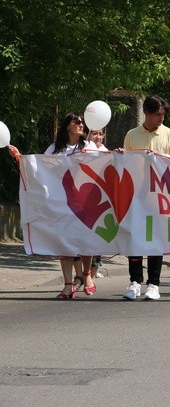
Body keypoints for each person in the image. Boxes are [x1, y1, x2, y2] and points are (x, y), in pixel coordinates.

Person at [122, 95, 170, 301]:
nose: (161, 119)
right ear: (146, 113)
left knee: (156, 237)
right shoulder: (131, 134)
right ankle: (135, 281)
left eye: (163, 115)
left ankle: (154, 284)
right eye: (157, 115)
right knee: (135, 237)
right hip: (136, 195)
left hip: (159, 194)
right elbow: (126, 165)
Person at [44, 113, 97, 299]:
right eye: (77, 121)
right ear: (68, 126)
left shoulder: (89, 146)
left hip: (85, 201)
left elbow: (104, 164)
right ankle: (68, 285)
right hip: (62, 201)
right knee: (64, 243)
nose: (81, 124)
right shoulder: (54, 149)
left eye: (82, 122)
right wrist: (21, 159)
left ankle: (86, 275)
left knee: (85, 240)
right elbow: (40, 169)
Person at [86, 127, 109, 280]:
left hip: (102, 197)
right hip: (84, 196)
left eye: (101, 134)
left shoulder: (107, 151)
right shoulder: (82, 149)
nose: (99, 137)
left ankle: (91, 276)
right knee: (84, 237)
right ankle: (83, 274)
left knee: (99, 237)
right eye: (95, 133)